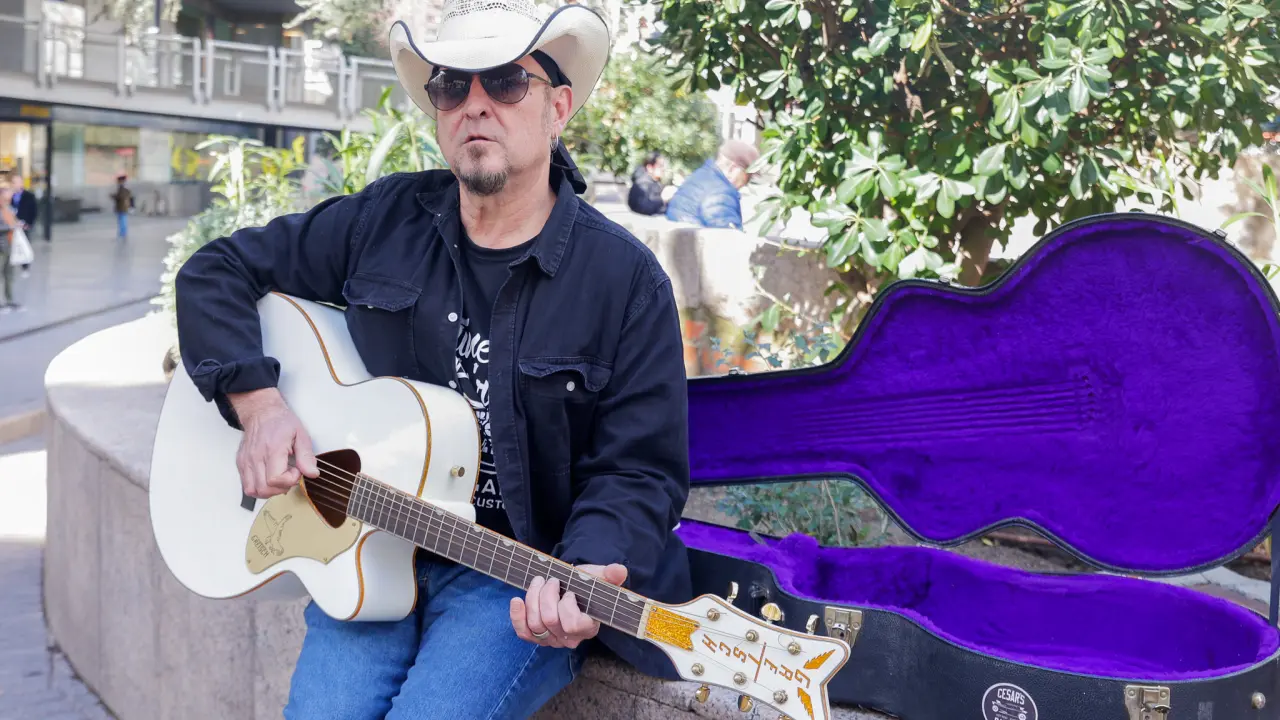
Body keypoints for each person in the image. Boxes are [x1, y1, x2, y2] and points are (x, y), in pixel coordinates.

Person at [172, 1, 692, 718]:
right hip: (367, 544)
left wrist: (581, 574)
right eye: (452, 86)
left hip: (514, 577)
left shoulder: (624, 281)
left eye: (505, 82)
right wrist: (258, 405)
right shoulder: (385, 220)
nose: (475, 105)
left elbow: (638, 470)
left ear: (558, 108)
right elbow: (215, 272)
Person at [664, 139, 760, 230]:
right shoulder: (721, 193)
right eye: (748, 176)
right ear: (733, 169)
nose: (746, 183)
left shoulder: (700, 176)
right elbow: (729, 237)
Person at [9, 172, 36, 276]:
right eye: (13, 182)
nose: (15, 184)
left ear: (21, 183)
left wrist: (28, 223)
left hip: (24, 225)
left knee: (24, 244)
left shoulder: (29, 196)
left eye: (17, 182)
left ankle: (25, 267)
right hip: (12, 225)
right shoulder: (9, 196)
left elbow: (33, 211)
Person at [626, 150, 668, 215]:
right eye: (660, 166)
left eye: (663, 166)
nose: (663, 169)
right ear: (650, 167)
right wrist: (663, 199)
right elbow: (645, 207)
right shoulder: (643, 184)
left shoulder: (654, 182)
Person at [0, 184, 17, 312]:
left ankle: (9, 299)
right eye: (8, 193)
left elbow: (13, 221)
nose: (11, 195)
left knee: (9, 274)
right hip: (1, 246)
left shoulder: (9, 209)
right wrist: (10, 227)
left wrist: (18, 224)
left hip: (10, 245)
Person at [110, 175, 132, 240]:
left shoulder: (123, 188)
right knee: (121, 221)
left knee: (122, 221)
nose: (118, 182)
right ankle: (122, 234)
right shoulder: (123, 188)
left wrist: (113, 196)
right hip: (121, 207)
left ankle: (123, 234)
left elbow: (120, 197)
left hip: (122, 207)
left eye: (119, 181)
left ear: (121, 181)